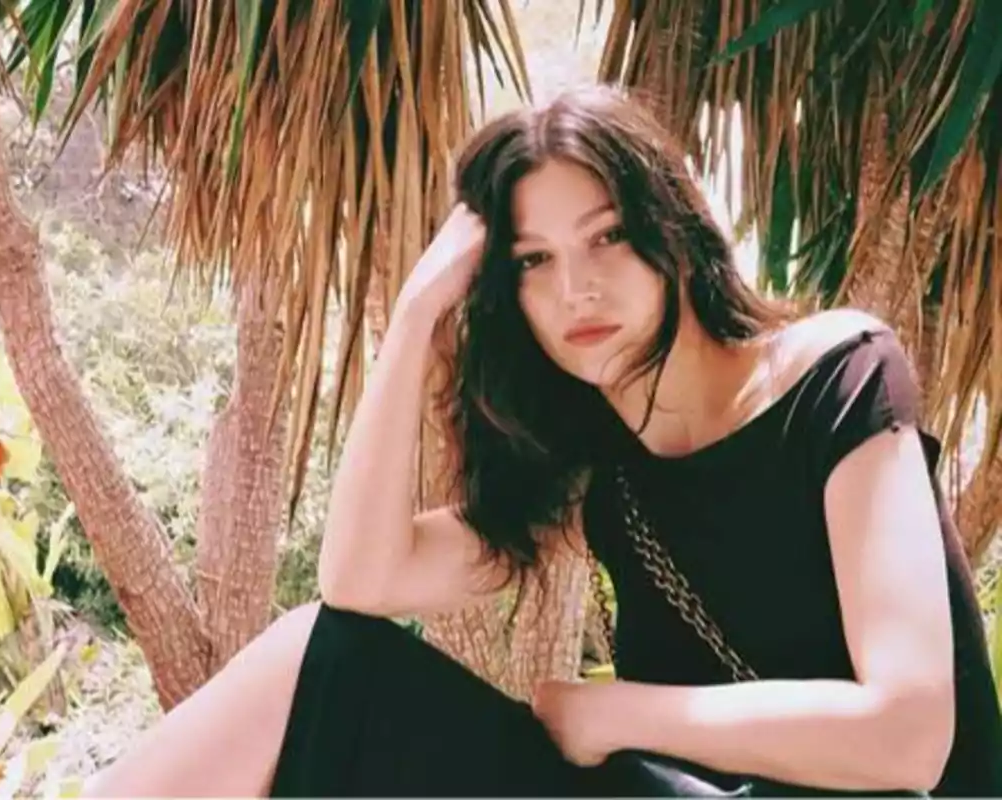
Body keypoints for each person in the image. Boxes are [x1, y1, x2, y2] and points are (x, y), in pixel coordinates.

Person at [83, 85, 1002, 797]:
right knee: (311, 659)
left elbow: (910, 732)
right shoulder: (596, 460)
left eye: (606, 239)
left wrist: (615, 713)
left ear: (673, 235)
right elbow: (359, 584)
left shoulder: (836, 376)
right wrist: (413, 318)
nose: (577, 291)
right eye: (534, 261)